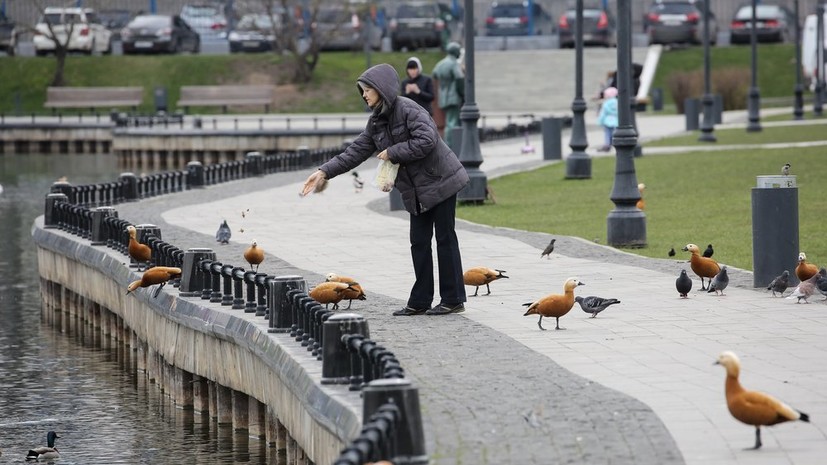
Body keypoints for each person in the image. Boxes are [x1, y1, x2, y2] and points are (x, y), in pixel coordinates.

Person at [300, 63, 469, 316]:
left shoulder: (410, 109)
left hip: (442, 180)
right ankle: (420, 301)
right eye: (363, 91)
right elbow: (355, 151)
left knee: (445, 239)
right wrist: (324, 171)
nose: (364, 95)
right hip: (417, 190)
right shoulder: (376, 122)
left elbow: (427, 140)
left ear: (381, 89)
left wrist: (392, 151)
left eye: (367, 90)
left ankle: (453, 299)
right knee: (419, 242)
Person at [431, 42, 464, 147]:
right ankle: (451, 145)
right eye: (458, 50)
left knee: (448, 122)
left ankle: (447, 144)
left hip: (443, 97)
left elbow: (434, 74)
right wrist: (462, 93)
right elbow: (459, 78)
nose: (459, 53)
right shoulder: (454, 63)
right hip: (453, 96)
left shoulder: (440, 64)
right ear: (455, 51)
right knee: (452, 123)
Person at [597, 86, 618, 152]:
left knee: (607, 134)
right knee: (614, 133)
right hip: (615, 121)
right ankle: (614, 143)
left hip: (607, 121)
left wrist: (600, 121)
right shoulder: (617, 102)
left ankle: (607, 145)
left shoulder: (606, 103)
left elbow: (603, 113)